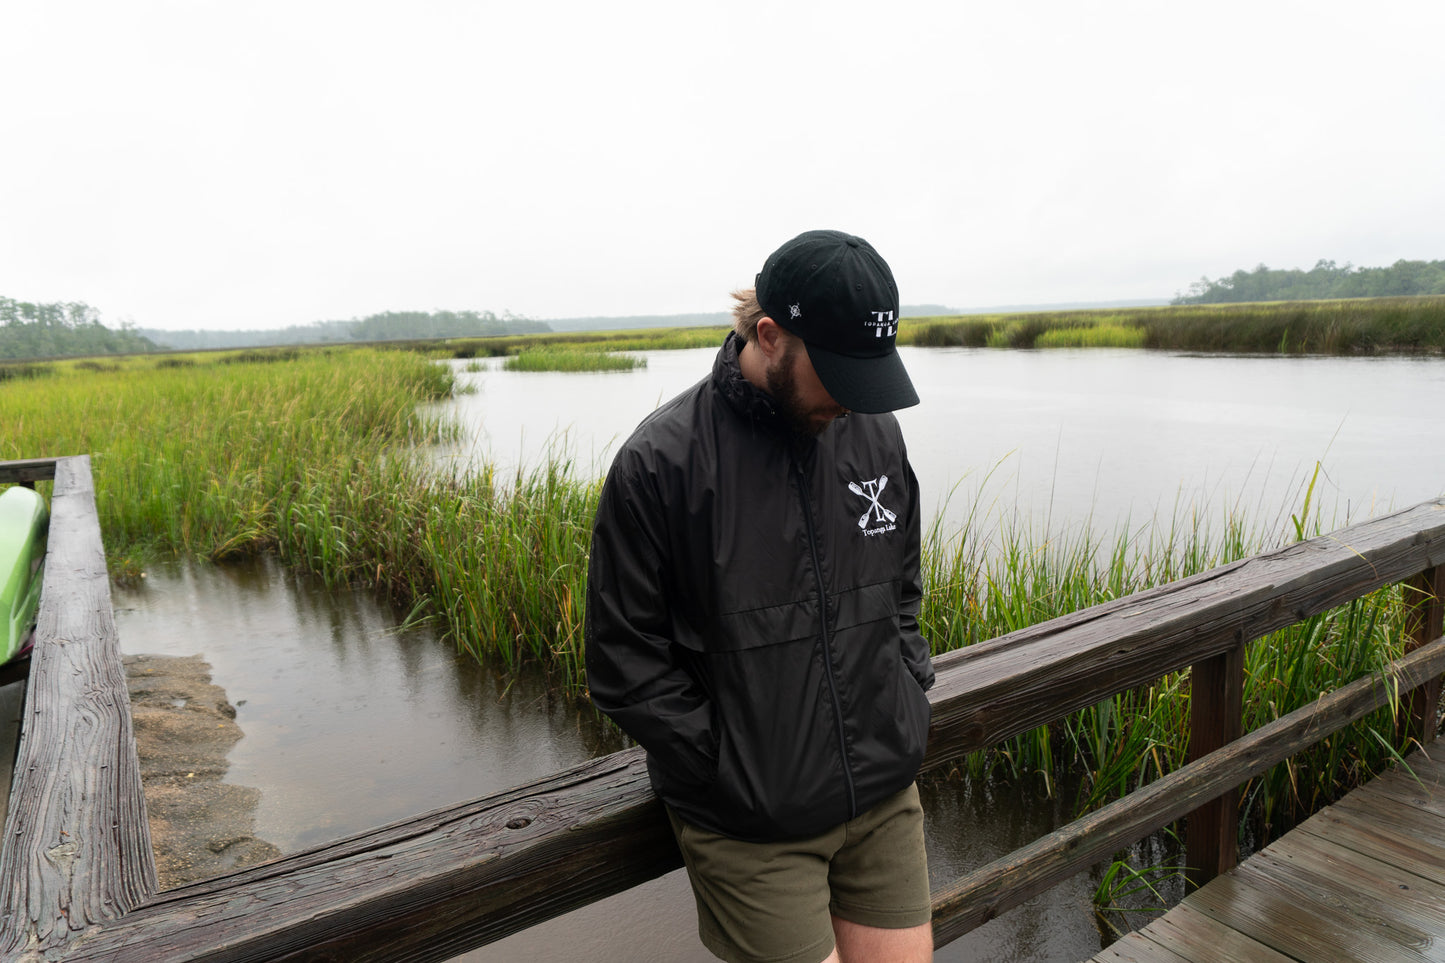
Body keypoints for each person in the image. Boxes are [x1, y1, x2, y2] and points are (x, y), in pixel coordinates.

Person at [585, 229, 935, 963]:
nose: (852, 400)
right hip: (754, 826)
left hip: (882, 793)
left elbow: (901, 588)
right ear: (769, 334)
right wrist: (728, 768)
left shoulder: (873, 433)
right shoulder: (661, 463)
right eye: (836, 374)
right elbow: (624, 660)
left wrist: (905, 685)